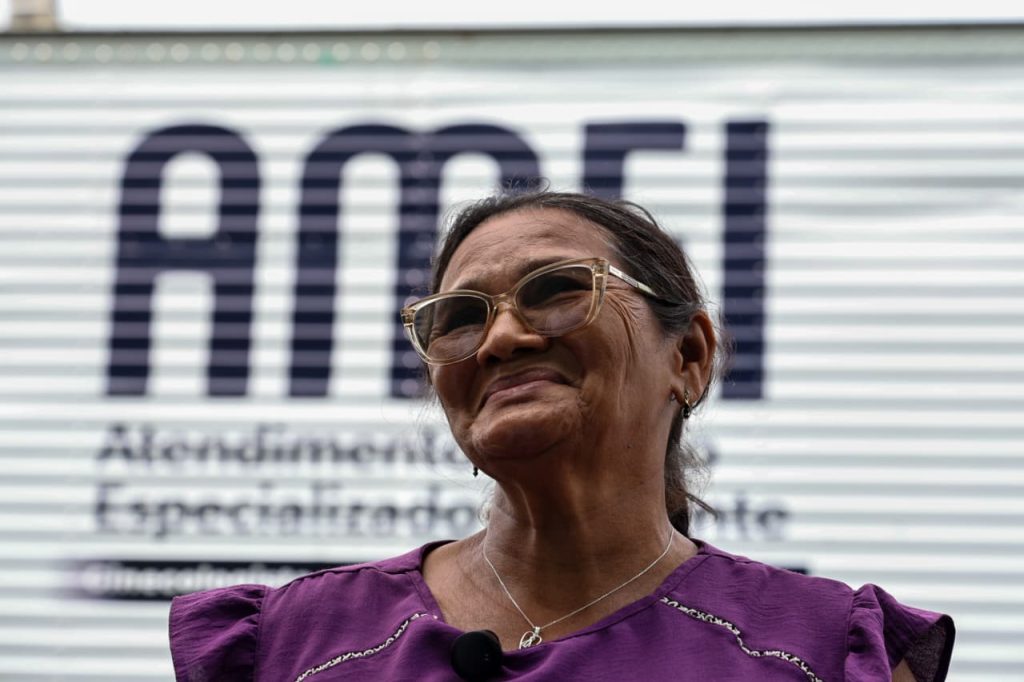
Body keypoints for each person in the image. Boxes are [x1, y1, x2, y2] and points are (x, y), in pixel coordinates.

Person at [169, 191, 955, 681]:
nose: (501, 338)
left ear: (688, 355)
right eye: (460, 316)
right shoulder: (291, 646)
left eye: (555, 290)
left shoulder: (821, 652)